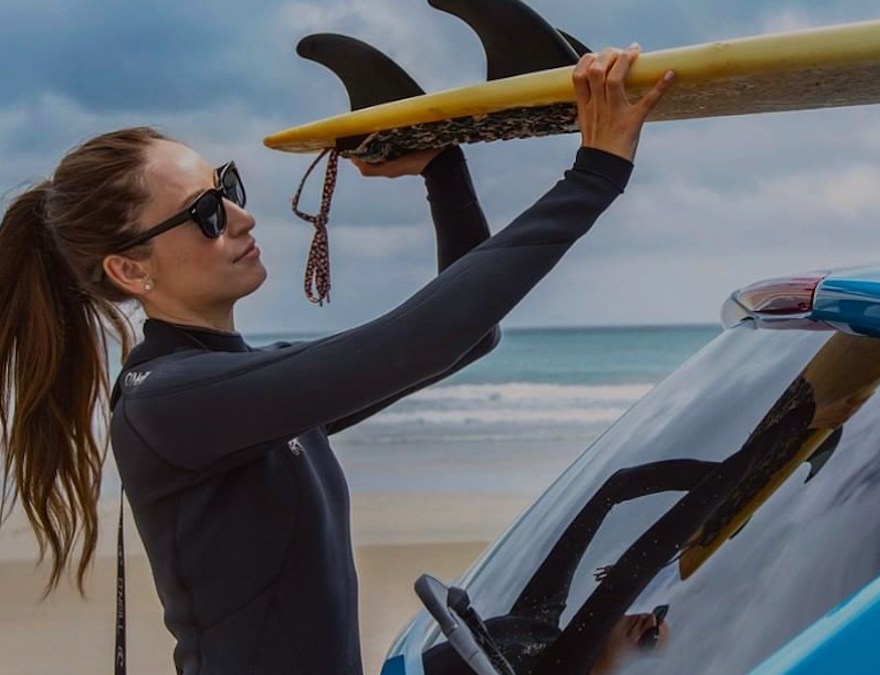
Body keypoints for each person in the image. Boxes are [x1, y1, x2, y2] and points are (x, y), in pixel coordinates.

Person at [0, 46, 672, 674]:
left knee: (545, 635)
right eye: (205, 212)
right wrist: (594, 175)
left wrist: (442, 167)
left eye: (227, 187)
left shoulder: (239, 387)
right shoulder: (168, 403)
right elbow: (425, 339)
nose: (241, 217)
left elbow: (468, 338)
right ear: (129, 269)